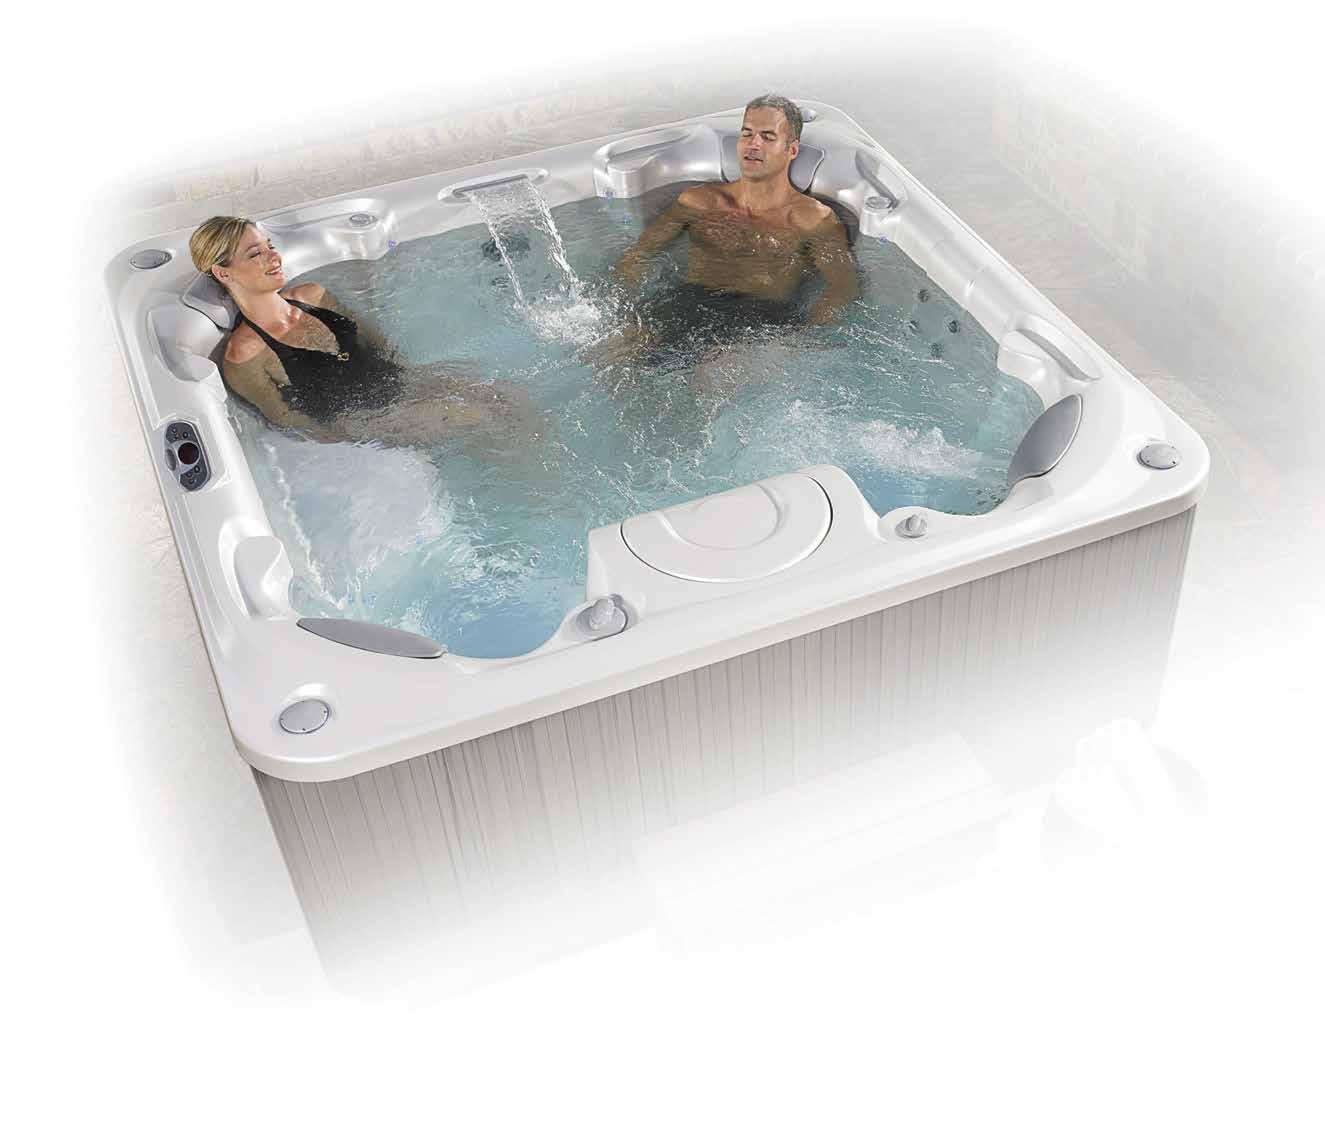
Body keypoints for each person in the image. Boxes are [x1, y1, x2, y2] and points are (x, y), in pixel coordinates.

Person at [188, 216, 537, 446]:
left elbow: (374, 340)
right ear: (223, 273)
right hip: (367, 421)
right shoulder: (245, 354)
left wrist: (415, 380)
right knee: (481, 417)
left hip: (398, 382)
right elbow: (286, 419)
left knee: (508, 397)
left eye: (270, 246)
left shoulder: (313, 295)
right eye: (255, 254)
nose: (273, 257)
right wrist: (357, 445)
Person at [612, 93, 858, 363]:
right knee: (617, 353)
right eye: (747, 134)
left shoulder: (811, 219)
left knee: (712, 373)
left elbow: (842, 286)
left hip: (759, 318)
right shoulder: (699, 201)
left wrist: (800, 340)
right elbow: (640, 254)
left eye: (768, 137)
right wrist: (625, 309)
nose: (753, 144)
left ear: (792, 150)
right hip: (687, 302)